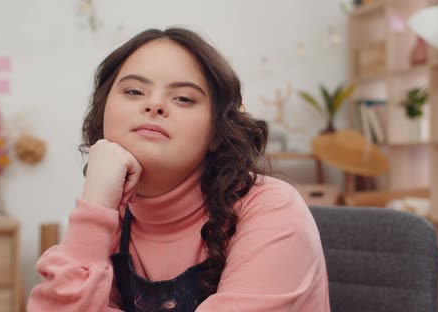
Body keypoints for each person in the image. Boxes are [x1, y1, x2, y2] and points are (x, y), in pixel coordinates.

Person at [27, 27, 330, 312]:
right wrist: (94, 204)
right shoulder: (108, 217)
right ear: (103, 110)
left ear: (216, 132)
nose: (155, 105)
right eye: (134, 91)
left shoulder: (272, 209)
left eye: (183, 98)